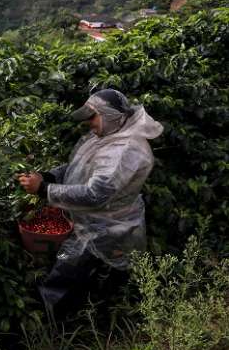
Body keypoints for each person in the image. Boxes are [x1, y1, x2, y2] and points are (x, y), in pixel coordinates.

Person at [17, 89, 163, 317]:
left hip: (107, 228)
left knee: (65, 275)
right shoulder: (107, 136)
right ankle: (94, 315)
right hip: (94, 223)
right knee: (87, 275)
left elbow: (96, 194)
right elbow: (79, 168)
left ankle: (50, 326)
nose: (88, 123)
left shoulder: (125, 150)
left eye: (92, 116)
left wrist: (44, 189)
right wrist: (49, 176)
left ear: (112, 115)